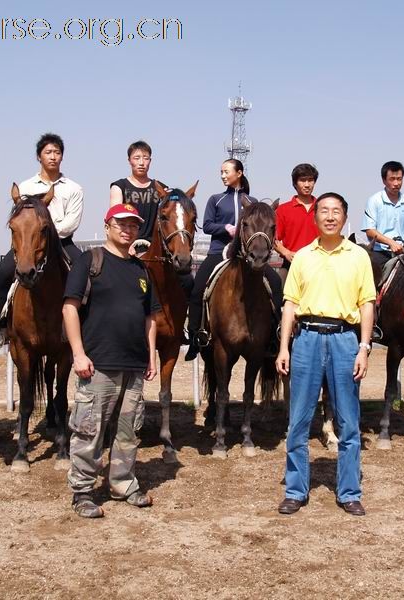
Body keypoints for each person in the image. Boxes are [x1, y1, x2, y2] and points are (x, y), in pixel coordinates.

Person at [276, 192, 375, 517]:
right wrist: (284, 347)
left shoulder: (358, 256)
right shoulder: (302, 256)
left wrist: (364, 347)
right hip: (306, 340)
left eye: (336, 211)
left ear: (345, 218)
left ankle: (349, 492)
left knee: (348, 420)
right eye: (324, 211)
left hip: (345, 340)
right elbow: (290, 303)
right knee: (299, 419)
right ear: (315, 218)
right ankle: (295, 490)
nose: (330, 216)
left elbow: (367, 304)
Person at [62, 203, 159, 518]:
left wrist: (150, 355)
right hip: (98, 363)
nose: (128, 229)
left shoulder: (140, 269)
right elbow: (70, 308)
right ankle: (83, 491)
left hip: (133, 365)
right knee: (89, 430)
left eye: (133, 225)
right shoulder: (90, 261)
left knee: (128, 430)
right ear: (107, 226)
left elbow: (150, 318)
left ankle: (122, 483)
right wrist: (78, 353)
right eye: (121, 223)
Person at [0, 133, 84, 348]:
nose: (53, 157)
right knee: (2, 273)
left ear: (62, 157)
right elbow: (21, 220)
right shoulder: (25, 186)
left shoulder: (74, 188)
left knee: (87, 275)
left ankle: (86, 327)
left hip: (61, 242)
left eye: (57, 153)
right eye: (48, 152)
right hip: (28, 244)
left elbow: (71, 222)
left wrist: (46, 231)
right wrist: (33, 234)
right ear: (39, 156)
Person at [184, 158, 283, 361]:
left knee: (274, 281)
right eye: (221, 172)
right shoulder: (215, 199)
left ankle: (275, 335)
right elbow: (208, 225)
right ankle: (196, 335)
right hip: (219, 251)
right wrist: (226, 228)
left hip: (246, 255)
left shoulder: (253, 202)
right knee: (197, 288)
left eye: (226, 171)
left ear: (239, 173)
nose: (222, 175)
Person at [110, 140, 194, 297]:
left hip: (156, 249)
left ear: (150, 161)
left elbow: (175, 211)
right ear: (129, 161)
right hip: (128, 246)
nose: (141, 162)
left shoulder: (162, 188)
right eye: (137, 158)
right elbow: (114, 219)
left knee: (189, 282)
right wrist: (125, 245)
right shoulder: (119, 186)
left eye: (146, 158)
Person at [362, 161, 404, 276]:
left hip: (403, 253)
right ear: (384, 180)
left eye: (399, 179)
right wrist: (391, 243)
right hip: (379, 252)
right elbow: (370, 230)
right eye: (392, 179)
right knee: (372, 279)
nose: (396, 183)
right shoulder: (374, 200)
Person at [274, 163, 319, 286]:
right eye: (302, 180)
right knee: (276, 291)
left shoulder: (323, 208)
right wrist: (286, 253)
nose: (307, 184)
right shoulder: (283, 210)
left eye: (310, 180)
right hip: (291, 265)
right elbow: (274, 239)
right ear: (295, 183)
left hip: (320, 265)